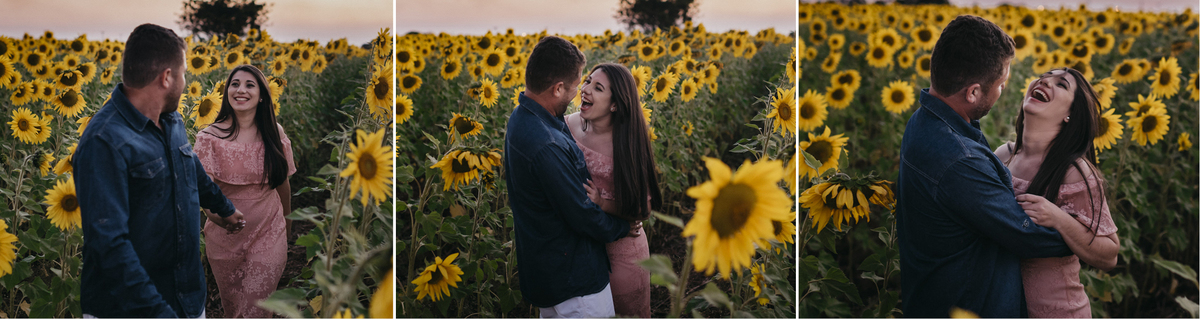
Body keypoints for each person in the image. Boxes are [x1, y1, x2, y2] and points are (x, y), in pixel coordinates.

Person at [895, 15, 1074, 317]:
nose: (1003, 91)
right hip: (969, 306)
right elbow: (1026, 235)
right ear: (973, 92)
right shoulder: (959, 161)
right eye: (1001, 84)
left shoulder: (923, 120)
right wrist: (1083, 234)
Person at [75, 23, 245, 318]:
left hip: (186, 298)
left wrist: (222, 207)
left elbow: (188, 164)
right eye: (183, 73)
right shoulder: (104, 141)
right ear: (167, 77)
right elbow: (109, 245)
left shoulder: (171, 120)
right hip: (131, 308)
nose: (185, 80)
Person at [503, 36, 641, 318]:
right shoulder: (547, 145)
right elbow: (581, 214)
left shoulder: (522, 118)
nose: (579, 93)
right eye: (578, 85)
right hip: (576, 285)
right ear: (557, 89)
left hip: (546, 271)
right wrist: (622, 228)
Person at [994, 68, 1120, 317]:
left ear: (1070, 114)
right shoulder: (1002, 157)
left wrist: (1058, 218)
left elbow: (1109, 254)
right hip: (1002, 307)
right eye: (1044, 75)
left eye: (1061, 84)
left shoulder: (1074, 172)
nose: (1045, 80)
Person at [193, 64, 296, 318]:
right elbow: (204, 192)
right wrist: (219, 217)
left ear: (262, 95)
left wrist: (287, 224)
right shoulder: (209, 138)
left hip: (269, 232)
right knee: (235, 309)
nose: (241, 90)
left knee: (256, 310)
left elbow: (283, 184)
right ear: (227, 92)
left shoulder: (274, 133)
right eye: (235, 84)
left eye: (250, 85)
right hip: (225, 237)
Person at [568, 63, 662, 318]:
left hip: (622, 251)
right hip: (581, 246)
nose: (585, 89)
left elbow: (643, 209)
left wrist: (603, 203)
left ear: (615, 105)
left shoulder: (627, 145)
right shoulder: (569, 125)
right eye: (587, 81)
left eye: (597, 88)